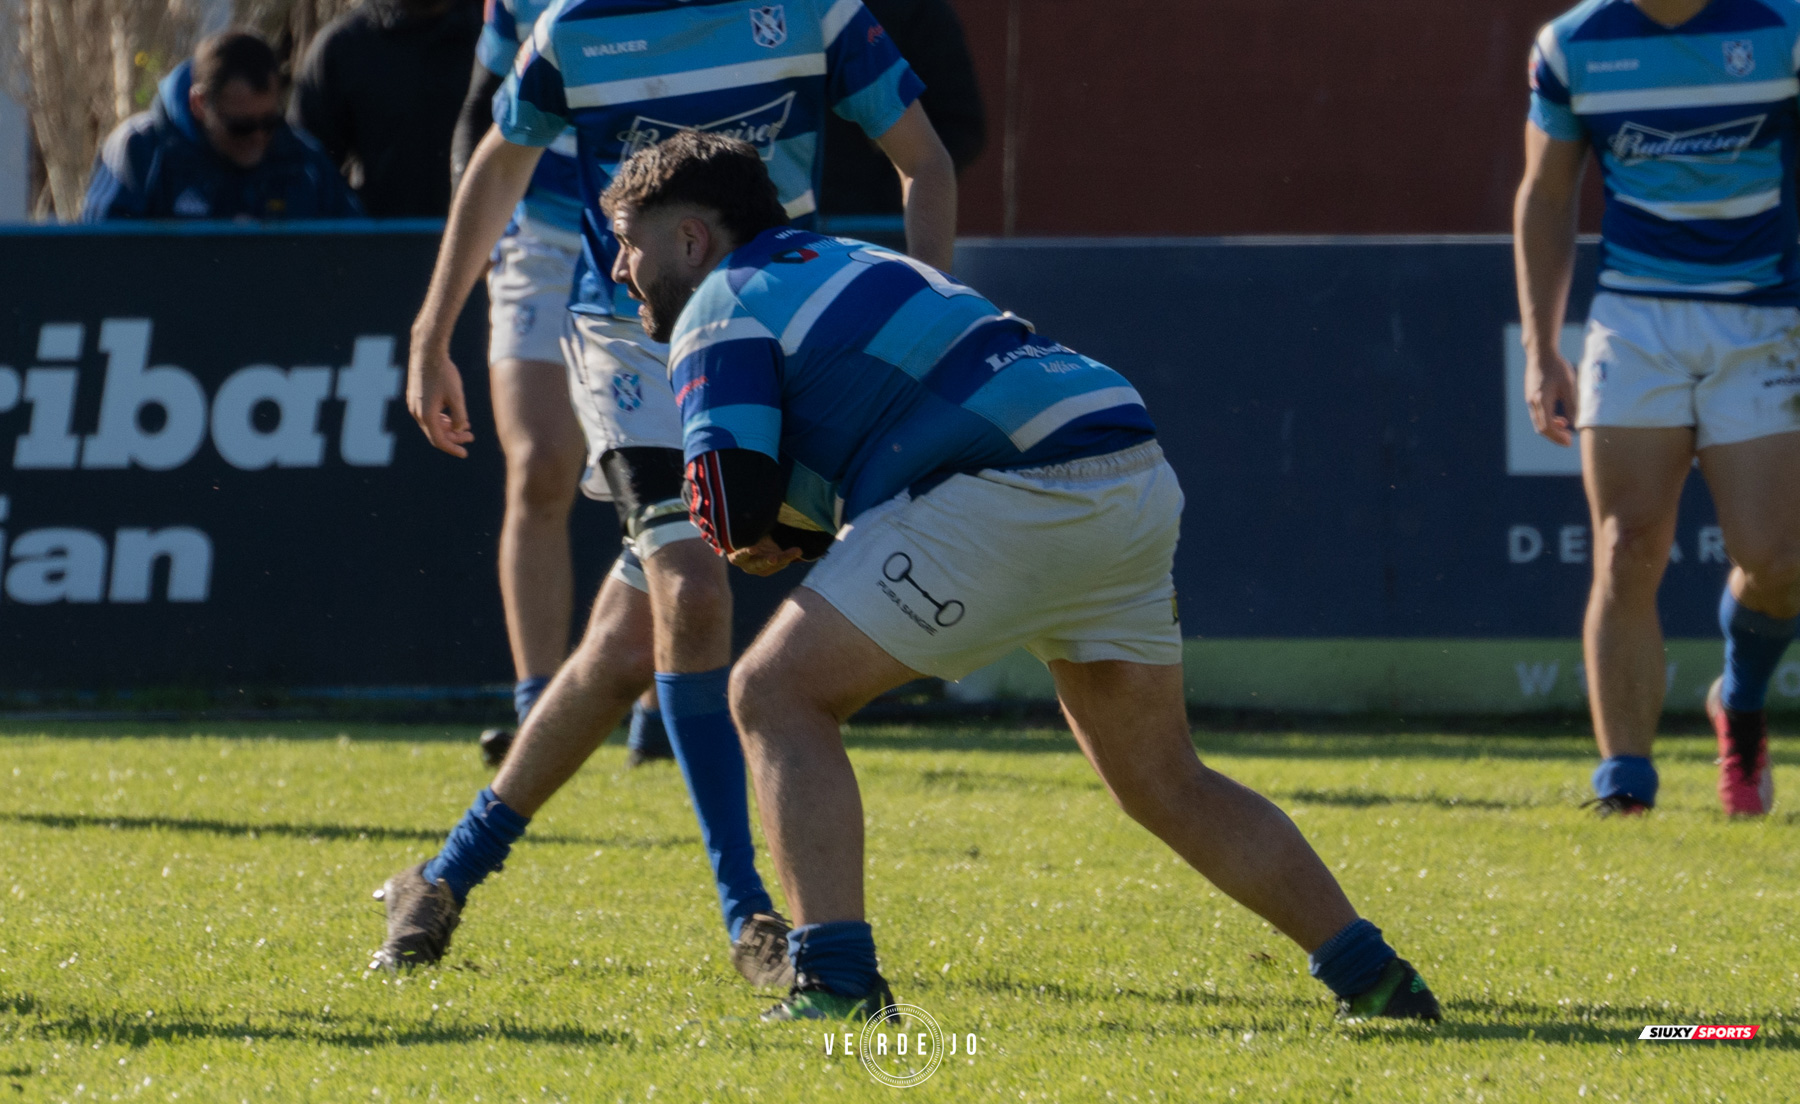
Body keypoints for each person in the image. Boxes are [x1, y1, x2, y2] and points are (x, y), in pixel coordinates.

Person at [603, 130, 1442, 1024]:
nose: (620, 268)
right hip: (1127, 466)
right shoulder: (843, 256)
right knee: (1164, 779)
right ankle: (1375, 977)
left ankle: (836, 984)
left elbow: (732, 511)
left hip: (1008, 491)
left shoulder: (719, 304)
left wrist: (765, 535)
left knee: (774, 696)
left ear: (691, 239)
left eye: (629, 241)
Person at [371, 0, 958, 988]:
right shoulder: (572, 27)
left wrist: (921, 326)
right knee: (694, 589)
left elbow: (927, 159)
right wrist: (433, 330)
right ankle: (750, 918)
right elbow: (500, 164)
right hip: (630, 339)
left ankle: (439, 878)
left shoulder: (815, 11)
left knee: (620, 647)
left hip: (775, 333)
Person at [1516, 0, 1800, 817]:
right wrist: (1542, 352)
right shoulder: (1572, 44)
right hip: (1635, 321)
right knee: (1627, 546)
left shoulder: (1781, 27)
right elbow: (1544, 194)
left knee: (1778, 563)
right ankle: (1626, 783)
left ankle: (1738, 700)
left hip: (1767, 317)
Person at [451, 0, 672, 771]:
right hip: (542, 234)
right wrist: (466, 261)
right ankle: (536, 702)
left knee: (667, 480)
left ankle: (663, 704)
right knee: (540, 463)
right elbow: (483, 117)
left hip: (656, 234)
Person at [83, 31, 362, 221]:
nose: (259, 137)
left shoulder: (303, 160)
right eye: (241, 126)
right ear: (199, 104)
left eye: (270, 123)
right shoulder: (140, 150)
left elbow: (355, 251)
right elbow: (101, 257)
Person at [289, 0, 482, 217]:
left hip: (495, 241)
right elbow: (302, 172)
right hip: (382, 243)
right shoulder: (344, 48)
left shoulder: (497, 43)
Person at [819, 0, 985, 223]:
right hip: (781, 219)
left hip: (876, 226)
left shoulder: (916, 9)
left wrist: (892, 202)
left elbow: (959, 125)